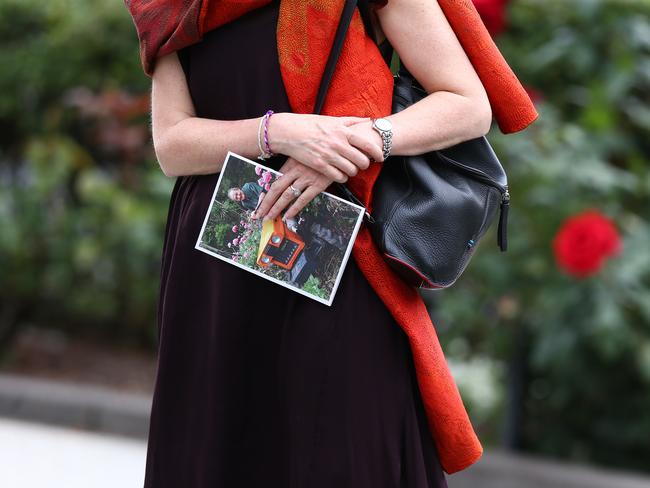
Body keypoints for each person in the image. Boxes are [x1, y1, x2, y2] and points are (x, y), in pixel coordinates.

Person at [124, 0, 537, 486]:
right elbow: (172, 143)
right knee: (221, 449)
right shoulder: (174, 6)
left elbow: (467, 104)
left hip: (339, 249)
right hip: (221, 252)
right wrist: (279, 132)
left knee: (345, 448)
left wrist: (360, 141)